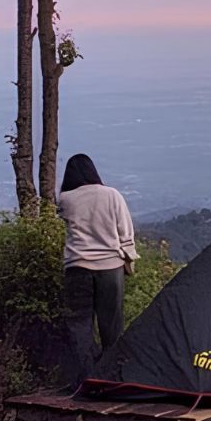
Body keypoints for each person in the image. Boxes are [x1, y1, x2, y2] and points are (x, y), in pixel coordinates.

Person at [58, 154, 136, 373]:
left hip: (77, 267)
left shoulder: (65, 199)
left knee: (80, 324)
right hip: (111, 268)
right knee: (111, 325)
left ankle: (86, 375)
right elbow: (126, 232)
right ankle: (112, 374)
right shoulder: (112, 195)